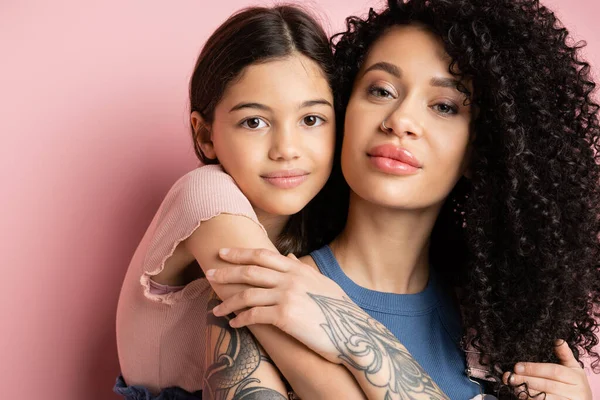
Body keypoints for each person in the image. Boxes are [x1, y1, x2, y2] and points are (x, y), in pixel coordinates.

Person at [208, 0, 599, 398]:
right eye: (381, 90)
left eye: (444, 106)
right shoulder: (264, 295)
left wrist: (353, 337)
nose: (400, 121)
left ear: (481, 150)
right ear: (342, 110)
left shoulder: (501, 331)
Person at [114, 5, 346, 399]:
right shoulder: (206, 196)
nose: (287, 149)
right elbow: (327, 387)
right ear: (205, 135)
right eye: (254, 122)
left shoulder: (317, 227)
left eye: (311, 120)